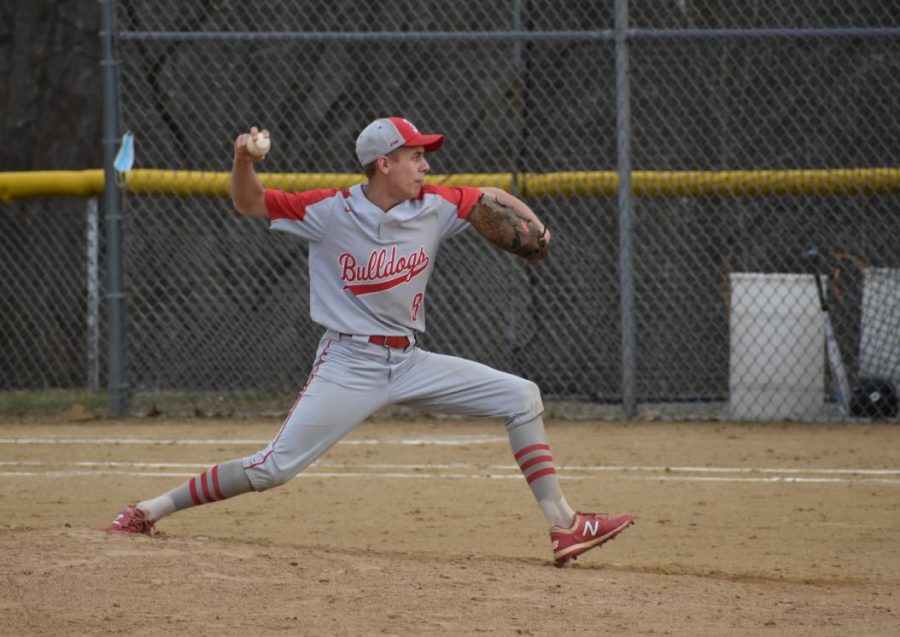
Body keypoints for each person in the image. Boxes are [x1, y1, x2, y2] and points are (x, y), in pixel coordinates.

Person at [105, 117, 633, 566]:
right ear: (384, 163)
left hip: (409, 360)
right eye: (415, 155)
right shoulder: (328, 210)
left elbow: (488, 197)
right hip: (349, 361)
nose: (425, 164)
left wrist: (538, 227)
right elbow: (249, 203)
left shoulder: (434, 204)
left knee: (521, 396)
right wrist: (243, 159)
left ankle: (564, 526)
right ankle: (149, 510)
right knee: (273, 467)